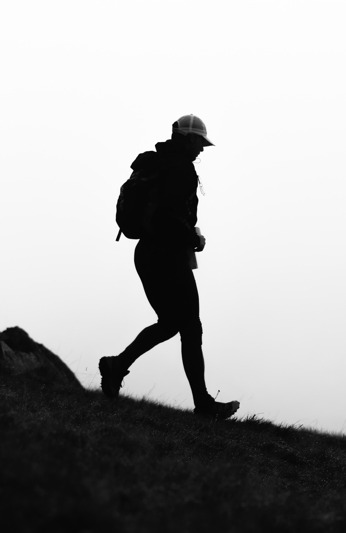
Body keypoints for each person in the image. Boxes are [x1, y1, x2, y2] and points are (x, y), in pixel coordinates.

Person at [99, 114, 240, 420]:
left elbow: (163, 213)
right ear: (187, 138)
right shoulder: (181, 169)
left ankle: (117, 365)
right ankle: (204, 405)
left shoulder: (159, 163)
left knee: (170, 323)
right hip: (167, 254)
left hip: (146, 253)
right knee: (190, 327)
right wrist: (193, 238)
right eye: (199, 142)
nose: (201, 149)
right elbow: (169, 216)